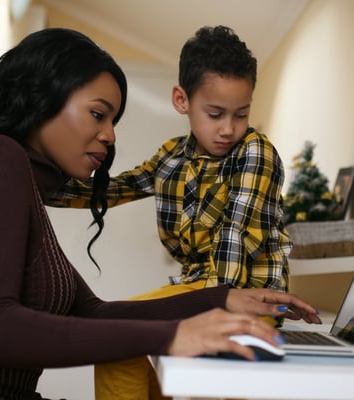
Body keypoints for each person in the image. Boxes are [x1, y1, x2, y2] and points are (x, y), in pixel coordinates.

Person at [0, 28, 321, 400]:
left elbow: (94, 314)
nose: (110, 135)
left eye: (112, 119)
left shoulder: (18, 181)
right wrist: (175, 334)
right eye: (98, 114)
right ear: (43, 99)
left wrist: (218, 298)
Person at [47, 26, 297, 400]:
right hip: (196, 288)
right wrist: (42, 185)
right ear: (182, 100)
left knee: (210, 380)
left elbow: (235, 238)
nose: (228, 128)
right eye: (215, 114)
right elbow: (114, 189)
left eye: (241, 114)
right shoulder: (171, 156)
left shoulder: (255, 152)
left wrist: (216, 315)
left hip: (244, 293)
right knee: (113, 336)